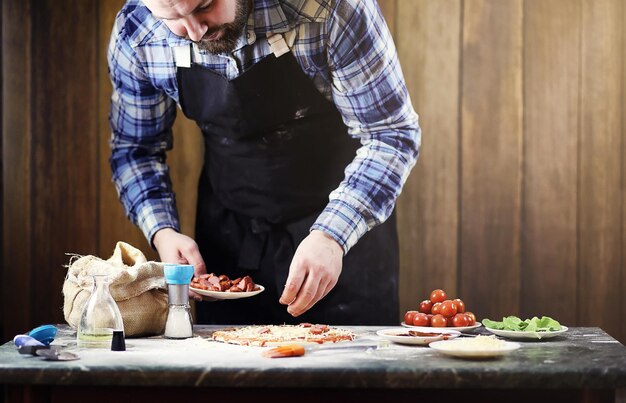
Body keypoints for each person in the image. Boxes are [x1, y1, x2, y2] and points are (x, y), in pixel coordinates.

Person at [108, 0, 421, 326]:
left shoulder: (332, 8)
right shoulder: (138, 31)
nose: (195, 30)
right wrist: (163, 232)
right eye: (173, 18)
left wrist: (332, 236)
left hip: (342, 234)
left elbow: (391, 135)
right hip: (230, 238)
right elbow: (135, 150)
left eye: (204, 5)